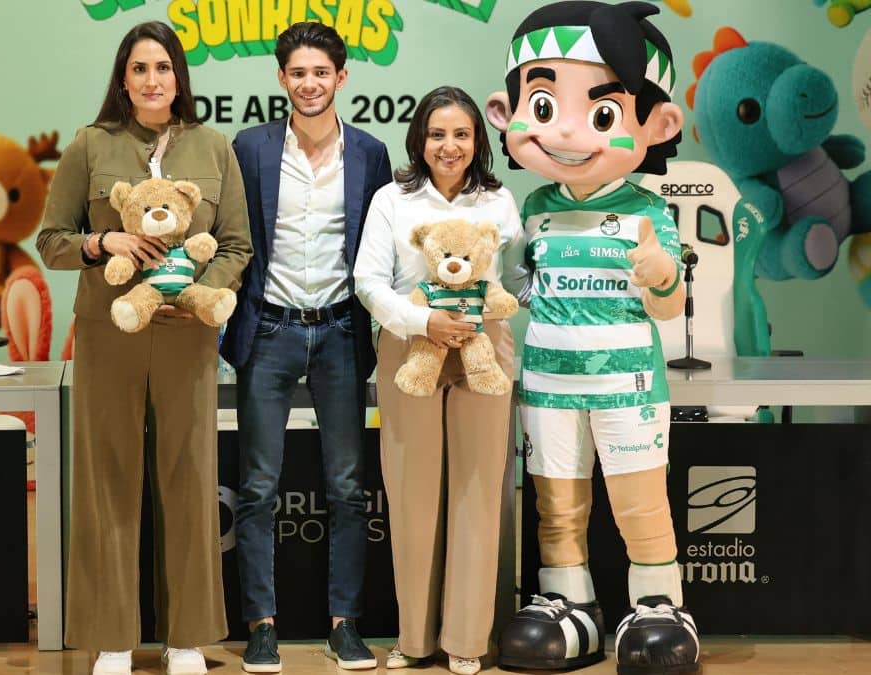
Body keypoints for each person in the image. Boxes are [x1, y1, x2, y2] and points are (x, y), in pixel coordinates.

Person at [484, 2, 697, 673]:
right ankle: (568, 603)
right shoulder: (533, 210)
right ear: (508, 112)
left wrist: (661, 273)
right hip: (548, 382)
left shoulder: (649, 210)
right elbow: (517, 288)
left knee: (639, 503)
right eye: (545, 106)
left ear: (657, 125)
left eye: (602, 114)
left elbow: (670, 306)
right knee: (557, 506)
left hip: (627, 384)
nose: (569, 131)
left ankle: (658, 604)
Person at [35, 21, 251, 675]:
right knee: (107, 476)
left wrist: (201, 293)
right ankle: (112, 637)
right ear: (123, 79)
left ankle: (187, 636)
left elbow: (236, 245)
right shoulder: (89, 144)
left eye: (163, 67)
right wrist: (104, 243)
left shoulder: (213, 146)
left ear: (179, 77)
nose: (152, 80)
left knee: (189, 477)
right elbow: (51, 241)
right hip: (109, 331)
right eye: (139, 68)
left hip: (188, 336)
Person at [222, 20, 392, 674]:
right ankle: (261, 627)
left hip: (342, 329)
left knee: (347, 487)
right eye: (298, 72)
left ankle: (345, 625)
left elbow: (379, 247)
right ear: (281, 78)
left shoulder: (370, 153)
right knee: (258, 486)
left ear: (341, 78)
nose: (310, 83)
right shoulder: (251, 148)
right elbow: (236, 239)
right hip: (269, 328)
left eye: (321, 72)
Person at [353, 85, 523, 675]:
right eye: (436, 134)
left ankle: (467, 640)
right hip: (411, 345)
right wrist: (423, 320)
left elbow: (516, 279)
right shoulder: (391, 200)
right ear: (419, 140)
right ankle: (415, 639)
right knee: (412, 494)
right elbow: (368, 281)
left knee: (478, 492)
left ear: (478, 141)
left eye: (461, 134)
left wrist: (485, 313)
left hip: (483, 349)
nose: (449, 146)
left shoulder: (499, 201)